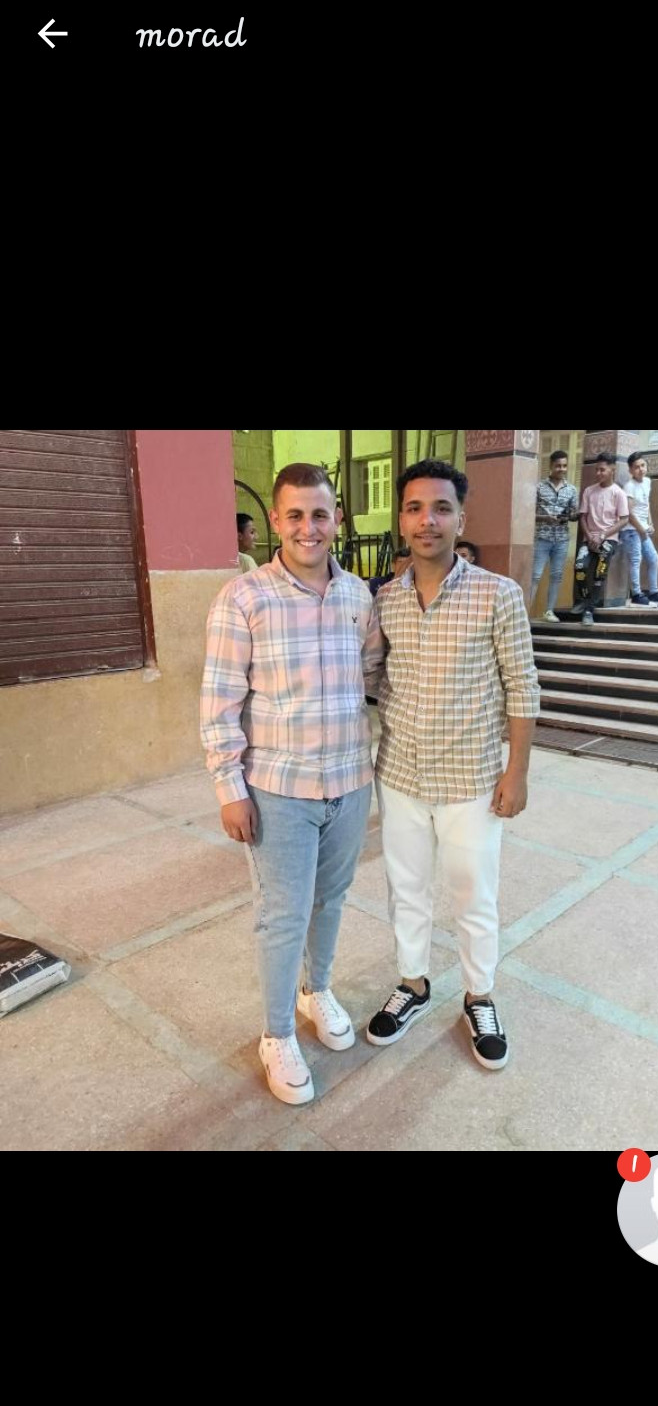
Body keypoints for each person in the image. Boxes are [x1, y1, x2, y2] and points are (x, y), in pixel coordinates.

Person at [201, 464, 385, 1106]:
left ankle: (316, 991)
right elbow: (219, 701)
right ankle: (277, 1033)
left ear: (338, 520)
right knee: (282, 915)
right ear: (276, 520)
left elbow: (371, 674)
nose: (309, 527)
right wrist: (229, 787)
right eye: (296, 515)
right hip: (277, 789)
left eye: (321, 514)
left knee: (330, 899)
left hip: (349, 781)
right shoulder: (243, 598)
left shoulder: (358, 595)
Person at [364, 459, 540, 1072]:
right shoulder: (385, 600)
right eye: (415, 508)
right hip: (401, 775)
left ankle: (479, 996)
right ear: (401, 520)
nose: (427, 520)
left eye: (441, 508)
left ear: (461, 518)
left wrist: (517, 772)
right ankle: (413, 984)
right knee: (406, 889)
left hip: (471, 780)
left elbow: (522, 686)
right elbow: (374, 678)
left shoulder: (498, 594)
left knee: (474, 894)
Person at [572, 454, 629, 625]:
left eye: (602, 470)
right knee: (580, 566)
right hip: (589, 538)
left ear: (612, 470)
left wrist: (603, 535)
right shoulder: (589, 491)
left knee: (599, 571)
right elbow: (583, 517)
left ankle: (589, 611)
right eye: (596, 469)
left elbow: (624, 519)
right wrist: (589, 536)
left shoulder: (618, 493)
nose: (598, 473)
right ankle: (585, 600)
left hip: (609, 539)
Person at [530, 450, 579, 621]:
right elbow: (528, 514)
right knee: (535, 575)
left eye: (564, 466)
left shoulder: (571, 489)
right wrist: (545, 518)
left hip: (562, 539)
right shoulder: (539, 487)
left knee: (557, 576)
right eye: (558, 466)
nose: (561, 469)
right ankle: (524, 612)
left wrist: (572, 515)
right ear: (551, 466)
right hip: (542, 538)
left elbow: (574, 514)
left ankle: (549, 611)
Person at [618, 453, 658, 605]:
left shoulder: (647, 481)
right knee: (636, 560)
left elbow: (646, 505)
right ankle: (636, 594)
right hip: (631, 530)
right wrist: (641, 529)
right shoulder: (629, 486)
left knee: (653, 558)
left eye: (643, 465)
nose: (640, 469)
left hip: (642, 528)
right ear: (630, 470)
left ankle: (653, 592)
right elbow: (629, 513)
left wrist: (650, 523)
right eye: (636, 467)